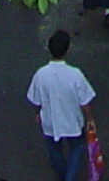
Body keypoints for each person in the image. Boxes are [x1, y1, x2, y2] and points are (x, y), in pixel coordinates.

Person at [25, 32, 98, 181]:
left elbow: (36, 100)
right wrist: (90, 119)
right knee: (77, 148)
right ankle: (69, 178)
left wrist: (38, 113)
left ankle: (62, 175)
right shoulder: (75, 75)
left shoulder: (41, 74)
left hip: (50, 122)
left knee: (55, 152)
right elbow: (84, 102)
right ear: (67, 50)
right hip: (72, 122)